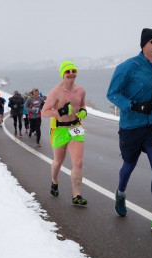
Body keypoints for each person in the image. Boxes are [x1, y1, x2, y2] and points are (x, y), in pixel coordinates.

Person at [107, 28, 152, 232]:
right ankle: (120, 193)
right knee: (129, 164)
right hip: (131, 126)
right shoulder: (128, 67)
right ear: (144, 45)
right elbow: (112, 94)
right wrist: (133, 105)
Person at [41, 61, 87, 205]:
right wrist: (60, 111)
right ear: (62, 74)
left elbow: (82, 104)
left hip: (75, 128)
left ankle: (76, 195)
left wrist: (84, 111)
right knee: (58, 161)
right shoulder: (55, 92)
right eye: (67, 71)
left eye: (73, 71)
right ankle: (54, 181)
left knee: (78, 163)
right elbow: (44, 112)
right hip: (59, 129)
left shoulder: (81, 90)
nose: (71, 73)